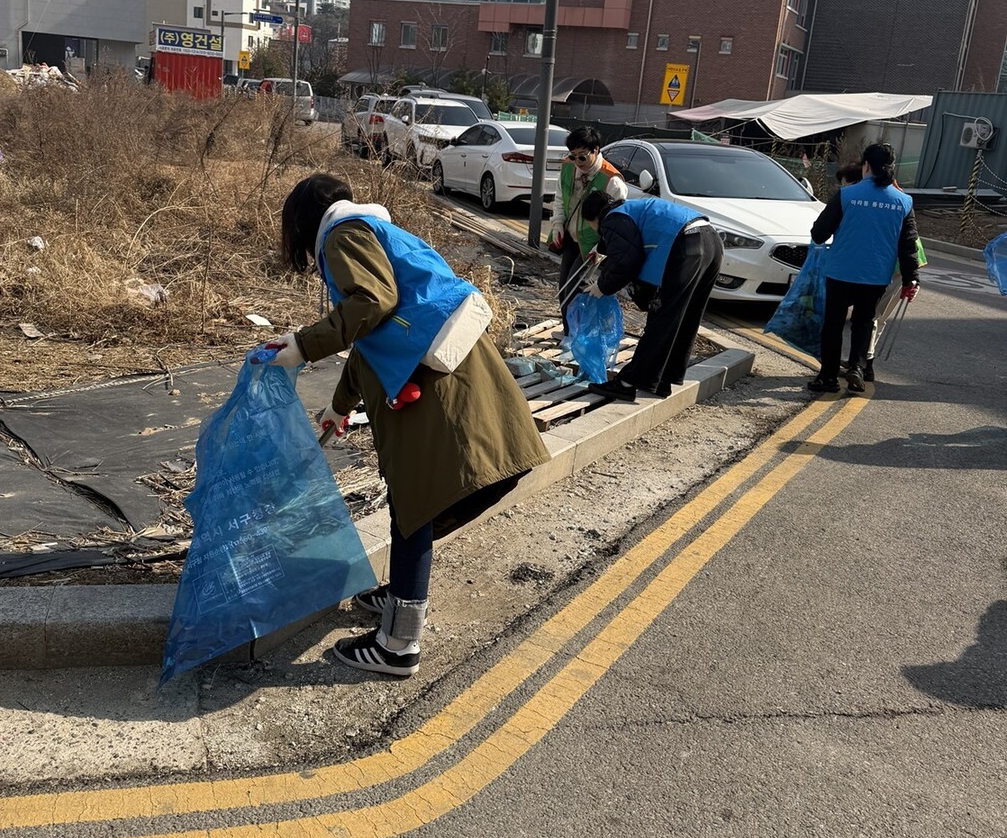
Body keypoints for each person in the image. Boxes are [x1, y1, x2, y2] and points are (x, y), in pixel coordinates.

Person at [267, 175, 550, 677]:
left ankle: (399, 645)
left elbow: (372, 303)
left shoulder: (340, 236)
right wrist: (339, 405)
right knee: (412, 504)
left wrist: (303, 346)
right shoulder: (378, 233)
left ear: (303, 221)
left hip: (436, 386)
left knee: (414, 506)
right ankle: (400, 594)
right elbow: (376, 340)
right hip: (451, 368)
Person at [576, 189, 723, 402]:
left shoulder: (612, 219)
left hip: (686, 246)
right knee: (684, 317)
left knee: (663, 317)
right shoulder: (630, 209)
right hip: (710, 241)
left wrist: (603, 287)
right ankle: (660, 380)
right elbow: (625, 244)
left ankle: (627, 384)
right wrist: (601, 250)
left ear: (594, 218)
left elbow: (627, 261)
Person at [807, 143, 920, 395]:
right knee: (863, 322)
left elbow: (818, 233)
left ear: (865, 165)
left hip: (841, 272)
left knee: (834, 323)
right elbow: (908, 244)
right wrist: (912, 279)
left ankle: (827, 377)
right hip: (876, 276)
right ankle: (857, 369)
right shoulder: (903, 201)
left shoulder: (846, 195)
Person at [549, 126, 627, 332]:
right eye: (572, 156)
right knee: (563, 287)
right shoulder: (568, 168)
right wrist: (557, 223)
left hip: (593, 246)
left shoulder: (612, 182)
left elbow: (617, 225)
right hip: (571, 238)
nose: (577, 162)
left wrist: (600, 251)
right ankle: (569, 332)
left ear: (596, 151)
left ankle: (576, 336)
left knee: (575, 290)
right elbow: (560, 197)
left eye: (582, 157)